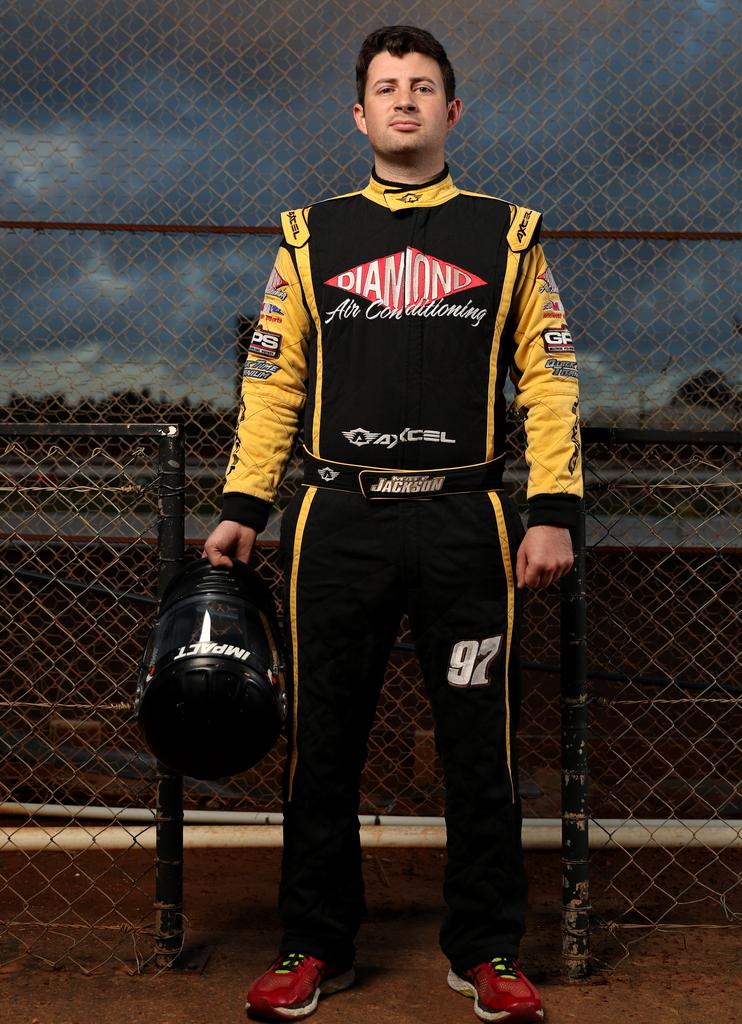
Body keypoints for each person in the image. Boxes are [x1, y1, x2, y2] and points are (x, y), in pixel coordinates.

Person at [204, 24, 582, 1024]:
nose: (405, 99)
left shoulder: (507, 233)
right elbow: (273, 377)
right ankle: (311, 944)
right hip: (338, 522)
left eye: (423, 86)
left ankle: (489, 950)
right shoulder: (310, 234)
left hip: (468, 523)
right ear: (360, 114)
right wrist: (247, 503)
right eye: (386, 86)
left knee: (478, 745)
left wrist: (552, 510)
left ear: (453, 112)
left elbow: (548, 378)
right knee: (322, 742)